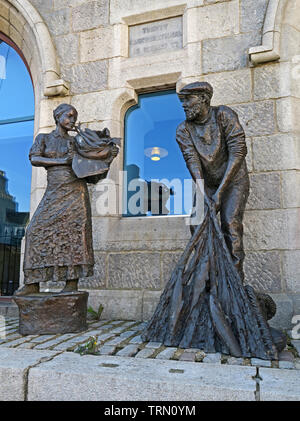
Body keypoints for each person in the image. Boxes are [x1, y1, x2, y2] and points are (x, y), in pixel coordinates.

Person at [15, 103, 116, 295]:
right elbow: (35, 158)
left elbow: (92, 176)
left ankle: (71, 284)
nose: (72, 121)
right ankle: (32, 283)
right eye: (69, 116)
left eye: (74, 118)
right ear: (58, 116)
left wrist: (107, 160)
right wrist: (63, 161)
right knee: (35, 229)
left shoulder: (77, 142)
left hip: (76, 192)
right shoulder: (44, 138)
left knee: (75, 236)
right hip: (54, 191)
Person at [176, 81, 250, 281]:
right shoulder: (183, 130)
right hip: (207, 183)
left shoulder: (223, 115)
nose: (184, 105)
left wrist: (219, 193)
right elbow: (192, 161)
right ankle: (206, 279)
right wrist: (203, 192)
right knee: (197, 223)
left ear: (204, 99)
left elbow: (238, 151)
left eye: (188, 99)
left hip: (233, 179)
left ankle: (235, 282)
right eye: (182, 100)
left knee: (230, 224)